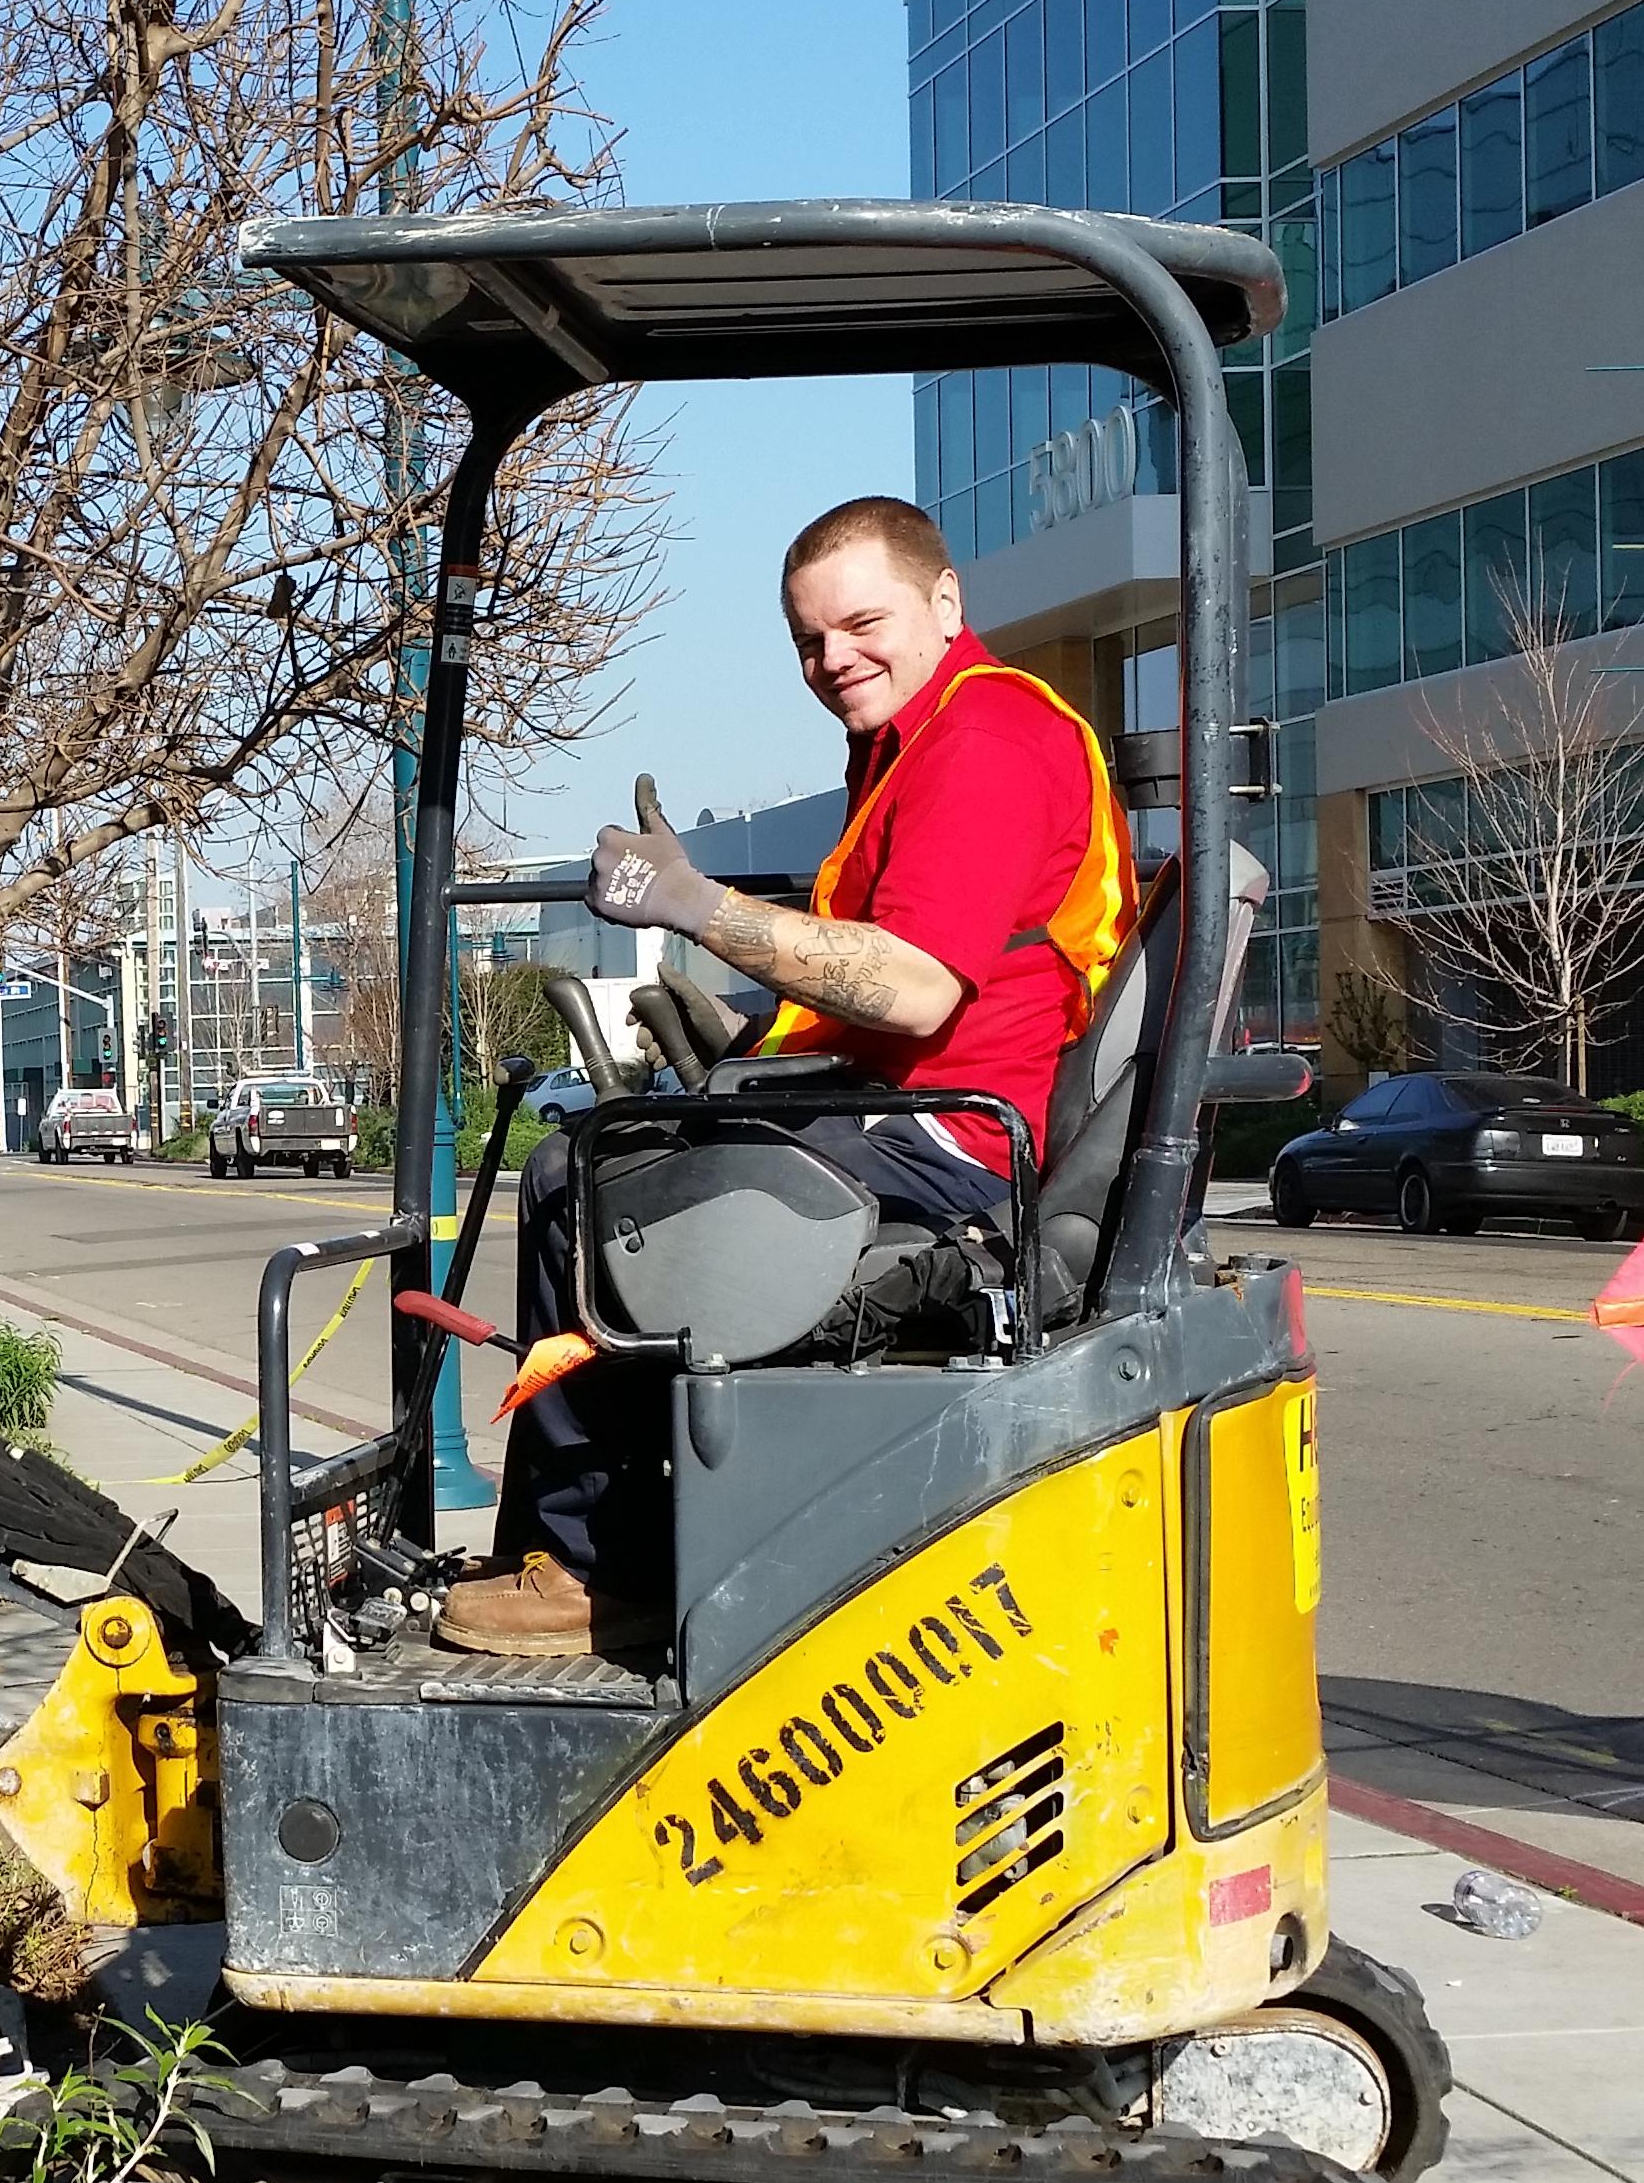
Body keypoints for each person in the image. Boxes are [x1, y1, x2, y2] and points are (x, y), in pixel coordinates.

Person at [437, 494, 1132, 1659]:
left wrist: (694, 906)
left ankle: (599, 1568)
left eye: (861, 624)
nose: (832, 659)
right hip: (912, 1115)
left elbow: (915, 988)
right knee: (614, 1157)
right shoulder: (909, 740)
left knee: (579, 1184)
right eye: (809, 640)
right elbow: (895, 974)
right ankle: (582, 1544)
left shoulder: (984, 740)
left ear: (944, 602)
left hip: (951, 1149)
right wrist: (746, 1039)